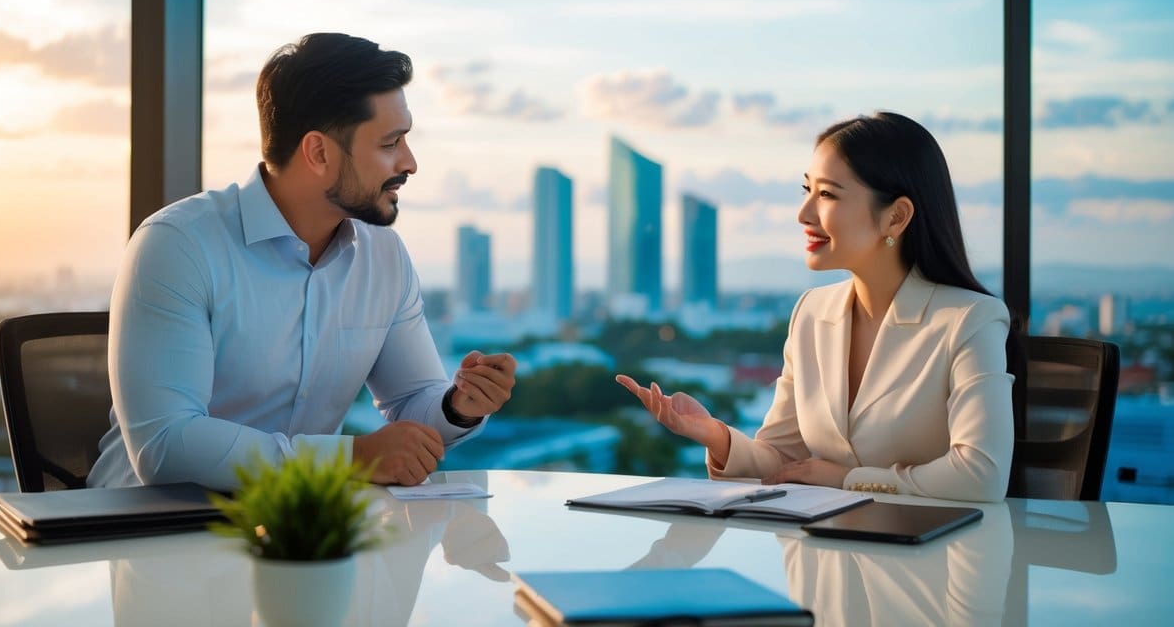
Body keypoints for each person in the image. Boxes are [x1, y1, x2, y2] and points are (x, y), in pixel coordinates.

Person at [88, 33, 517, 491]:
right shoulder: (177, 246)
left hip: (299, 534)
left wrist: (458, 406)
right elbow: (166, 446)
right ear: (318, 153)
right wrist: (353, 458)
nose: (409, 163)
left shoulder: (384, 258)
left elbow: (412, 400)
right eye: (390, 143)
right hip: (147, 535)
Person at [617, 111, 1013, 502]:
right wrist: (716, 436)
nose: (804, 214)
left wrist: (849, 480)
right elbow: (783, 459)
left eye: (826, 194)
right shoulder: (811, 312)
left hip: (928, 559)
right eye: (806, 191)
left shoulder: (969, 320)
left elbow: (981, 475)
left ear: (896, 216)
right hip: (824, 558)